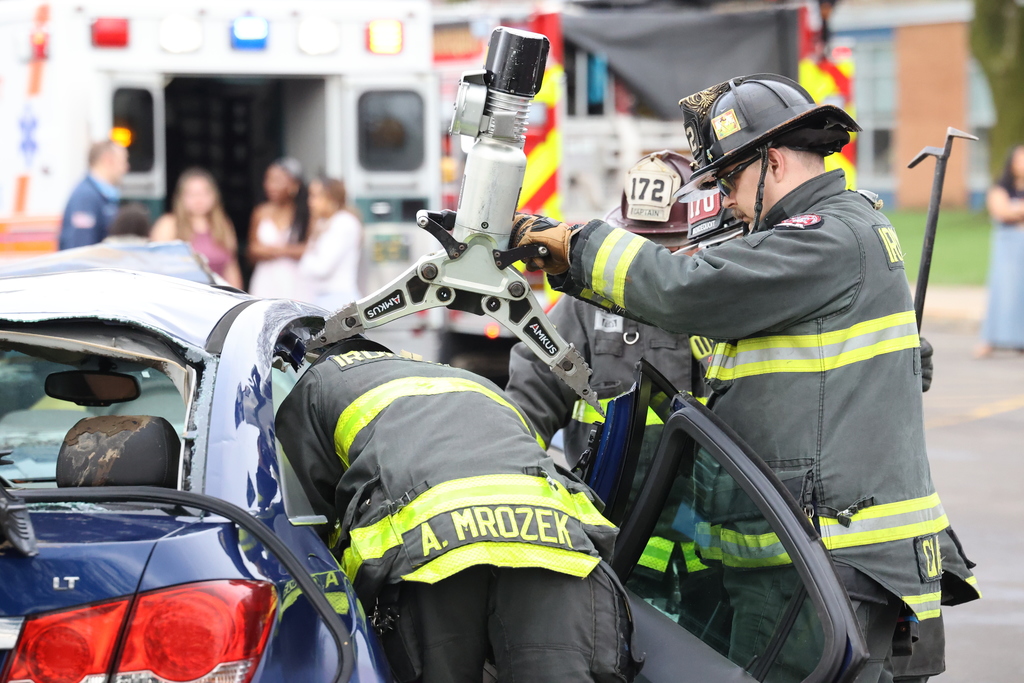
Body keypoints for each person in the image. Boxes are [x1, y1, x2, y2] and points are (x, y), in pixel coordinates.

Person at [508, 74, 978, 682]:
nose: (727, 201)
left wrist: (576, 244)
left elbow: (689, 291)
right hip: (816, 564)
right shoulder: (838, 234)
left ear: (773, 161)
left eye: (731, 180)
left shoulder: (823, 237)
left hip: (827, 568)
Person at [275, 338, 642, 683]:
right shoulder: (473, 382)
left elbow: (307, 522)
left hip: (433, 556)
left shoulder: (315, 385)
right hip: (557, 546)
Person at [506, 150, 743, 463]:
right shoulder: (586, 308)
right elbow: (528, 406)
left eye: (670, 248)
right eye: (639, 245)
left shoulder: (739, 307)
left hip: (717, 506)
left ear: (711, 242)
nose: (650, 264)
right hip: (607, 509)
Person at [150, 168, 244, 288]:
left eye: (204, 193)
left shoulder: (223, 224)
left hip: (221, 299)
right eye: (192, 194)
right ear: (181, 197)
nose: (199, 199)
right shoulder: (169, 224)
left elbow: (231, 267)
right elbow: (156, 267)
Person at [977, 144, 1024, 357]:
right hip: (1008, 248)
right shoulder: (1001, 188)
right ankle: (990, 339)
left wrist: (1015, 210)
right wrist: (1015, 211)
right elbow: (1001, 211)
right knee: (1003, 291)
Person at [247, 158, 309, 299]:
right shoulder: (260, 212)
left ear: (294, 184)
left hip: (296, 282)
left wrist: (273, 250)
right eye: (268, 180)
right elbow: (252, 250)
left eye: (277, 180)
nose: (270, 186)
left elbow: (310, 248)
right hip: (265, 281)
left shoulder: (305, 213)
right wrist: (288, 250)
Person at [299, 177, 363, 310]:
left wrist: (308, 259)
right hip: (323, 298)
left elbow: (321, 268)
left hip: (339, 299)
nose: (310, 202)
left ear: (331, 197)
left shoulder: (343, 223)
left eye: (315, 196)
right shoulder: (323, 223)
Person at [58, 140, 129, 250]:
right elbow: (80, 250)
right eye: (123, 162)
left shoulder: (103, 196)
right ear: (108, 160)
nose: (126, 168)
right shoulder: (86, 198)